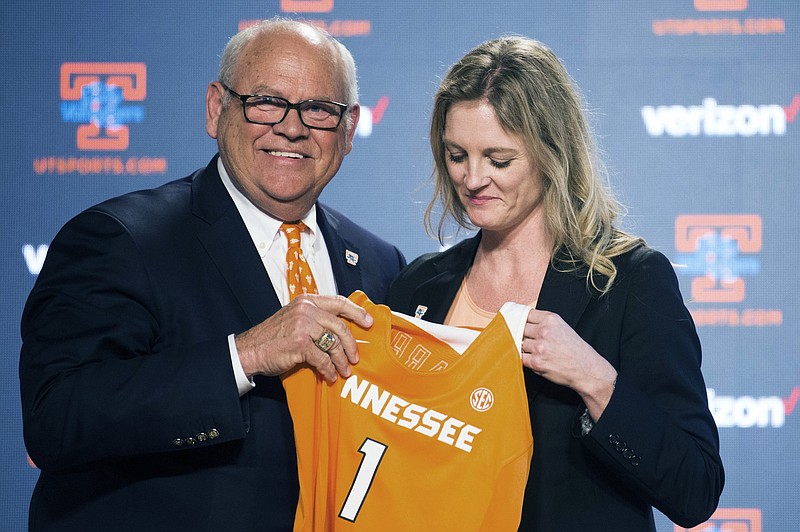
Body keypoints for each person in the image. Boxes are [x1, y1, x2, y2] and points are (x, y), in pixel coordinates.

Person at [19, 18, 405, 531]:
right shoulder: (121, 238)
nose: (292, 127)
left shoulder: (381, 264)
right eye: (265, 101)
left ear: (349, 129)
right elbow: (57, 420)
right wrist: (245, 355)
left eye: (318, 109)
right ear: (216, 108)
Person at [387, 35, 724, 531]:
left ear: (551, 152)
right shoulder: (418, 286)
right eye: (457, 155)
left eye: (499, 160)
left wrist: (595, 378)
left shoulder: (629, 281)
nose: (473, 178)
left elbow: (695, 488)